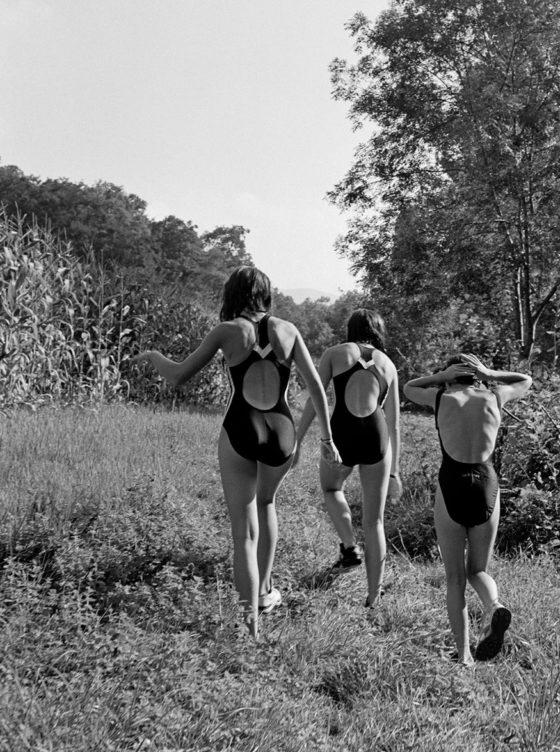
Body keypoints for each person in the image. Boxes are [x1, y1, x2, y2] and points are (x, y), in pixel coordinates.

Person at [132, 266, 340, 639]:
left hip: (241, 427)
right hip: (282, 429)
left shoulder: (228, 332)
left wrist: (153, 357)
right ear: (265, 294)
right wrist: (327, 440)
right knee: (267, 504)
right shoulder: (288, 330)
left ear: (232, 295)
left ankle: (251, 628)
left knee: (243, 532)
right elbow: (317, 389)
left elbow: (179, 375)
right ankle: (264, 595)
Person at [403, 354, 532, 665]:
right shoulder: (494, 396)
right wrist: (490, 374)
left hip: (452, 482)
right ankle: (494, 606)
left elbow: (407, 387)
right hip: (487, 482)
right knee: (478, 570)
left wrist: (440, 376)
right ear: (477, 375)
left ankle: (464, 657)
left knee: (455, 578)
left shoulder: (441, 397)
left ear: (451, 377)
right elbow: (525, 381)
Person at [295, 309, 401, 607]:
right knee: (375, 521)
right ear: (379, 332)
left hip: (342, 431)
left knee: (332, 489)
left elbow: (316, 399)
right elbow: (393, 423)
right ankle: (373, 596)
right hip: (376, 436)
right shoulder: (389, 365)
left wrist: (299, 440)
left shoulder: (335, 353)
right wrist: (395, 470)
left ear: (350, 329)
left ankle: (350, 547)